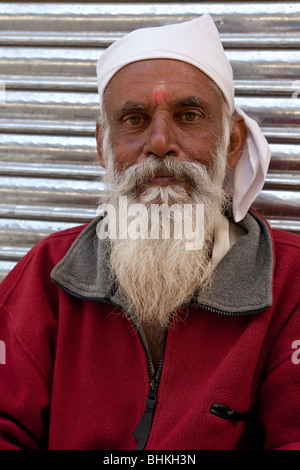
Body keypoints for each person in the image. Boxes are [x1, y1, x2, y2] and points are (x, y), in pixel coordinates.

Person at [0, 14, 299, 451]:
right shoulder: (48, 274)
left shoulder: (289, 282)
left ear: (232, 141)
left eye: (189, 115)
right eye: (135, 120)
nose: (160, 142)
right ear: (104, 145)